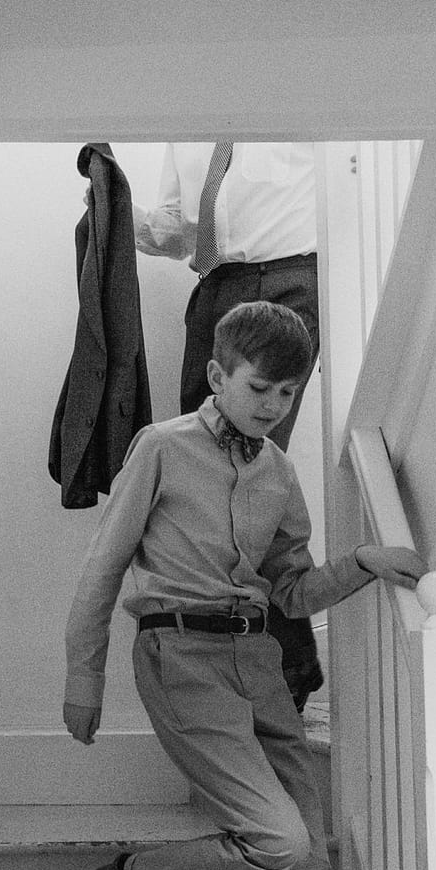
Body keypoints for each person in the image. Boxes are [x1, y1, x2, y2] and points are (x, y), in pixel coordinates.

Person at [61, 302, 424, 870]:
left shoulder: (277, 474)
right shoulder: (161, 448)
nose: (272, 406)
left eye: (288, 394)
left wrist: (362, 562)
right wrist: (83, 675)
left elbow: (291, 588)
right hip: (179, 656)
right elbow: (103, 566)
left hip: (258, 663)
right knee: (278, 838)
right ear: (219, 375)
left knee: (305, 866)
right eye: (260, 387)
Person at [133, 141, 326, 705]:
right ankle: (230, 651)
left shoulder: (288, 101)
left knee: (253, 471)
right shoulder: (185, 128)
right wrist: (123, 214)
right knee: (201, 476)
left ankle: (289, 665)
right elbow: (176, 230)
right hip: (216, 286)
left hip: (291, 278)